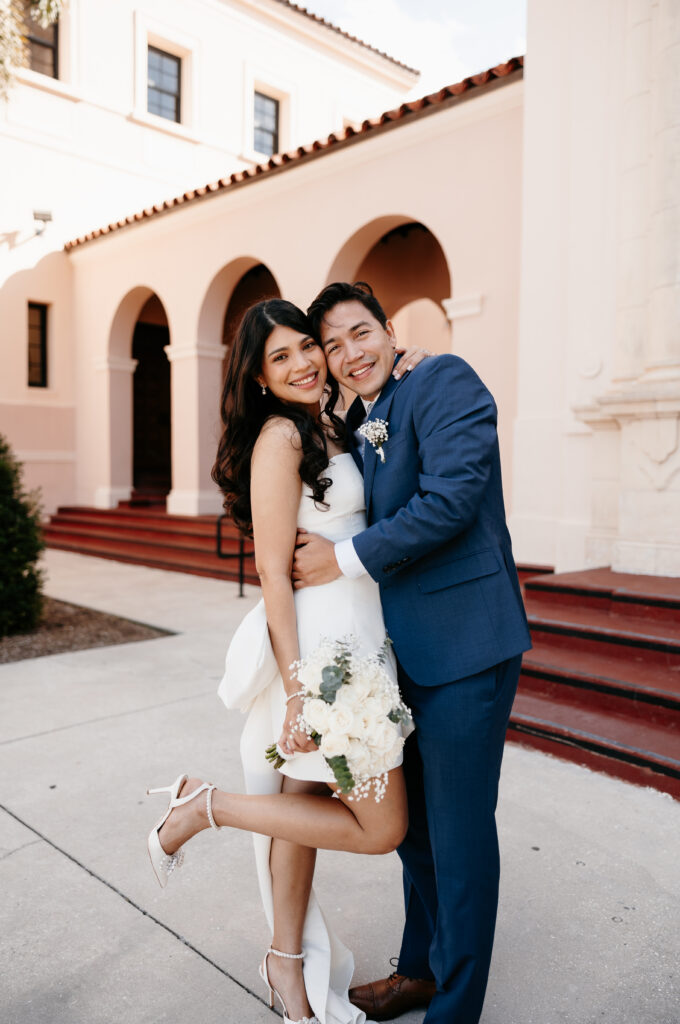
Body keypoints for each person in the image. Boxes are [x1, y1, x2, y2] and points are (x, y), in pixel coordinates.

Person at [145, 298, 429, 1024]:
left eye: (307, 346)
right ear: (260, 377)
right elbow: (272, 571)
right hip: (331, 661)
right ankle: (204, 806)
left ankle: (286, 968)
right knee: (381, 827)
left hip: (362, 637)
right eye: (282, 357)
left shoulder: (328, 425)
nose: (304, 363)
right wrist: (303, 692)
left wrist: (404, 376)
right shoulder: (278, 436)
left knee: (300, 807)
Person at [292, 282, 532, 1024]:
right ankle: (422, 969)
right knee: (415, 831)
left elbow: (452, 497)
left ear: (389, 331)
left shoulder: (443, 378)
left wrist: (344, 558)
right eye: (332, 345)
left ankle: (454, 1009)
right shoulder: (365, 414)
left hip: (465, 643)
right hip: (402, 656)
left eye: (360, 333)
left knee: (457, 836)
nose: (349, 353)